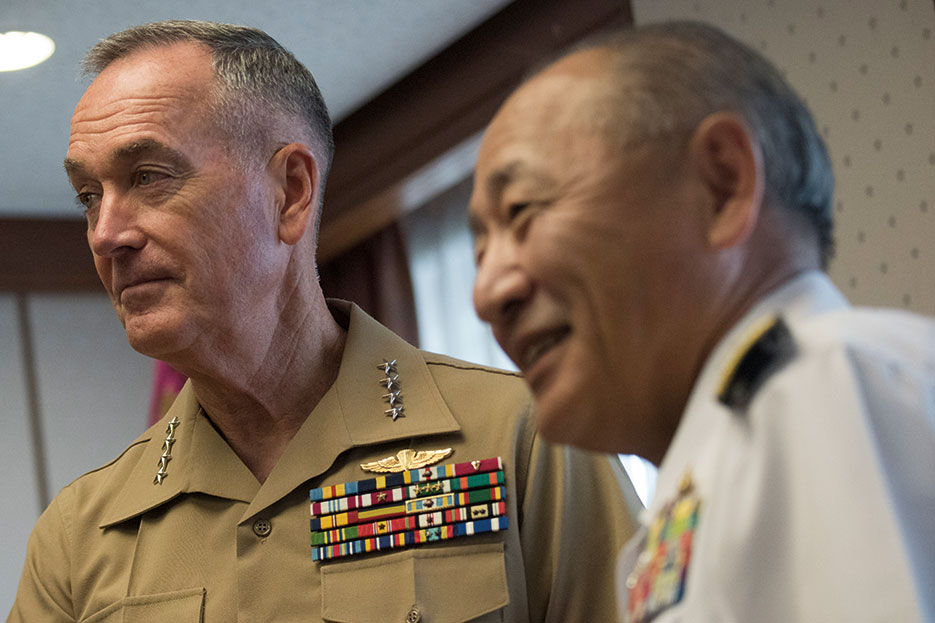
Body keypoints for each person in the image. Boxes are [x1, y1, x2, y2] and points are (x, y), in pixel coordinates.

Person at [10, 20, 641, 623]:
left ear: (289, 192)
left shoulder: (523, 438)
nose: (106, 234)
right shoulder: (81, 536)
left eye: (149, 177)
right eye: (89, 198)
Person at [469, 20, 935, 623]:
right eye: (481, 249)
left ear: (721, 185)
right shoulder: (713, 470)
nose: (487, 293)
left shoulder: (820, 387)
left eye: (522, 210)